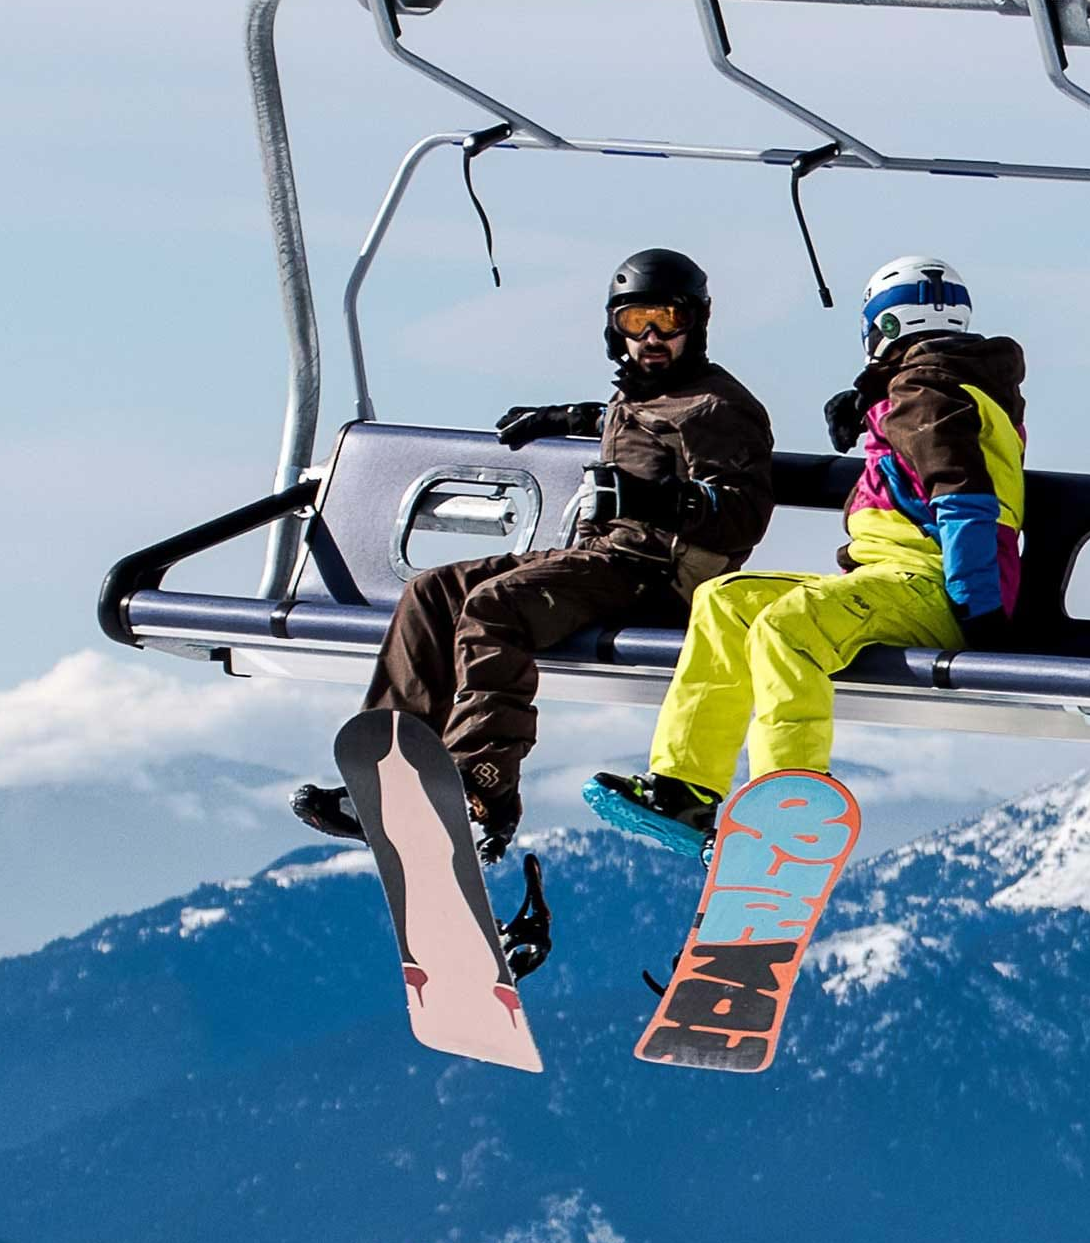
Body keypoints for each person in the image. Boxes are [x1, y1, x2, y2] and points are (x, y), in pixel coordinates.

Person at [292, 248, 776, 860]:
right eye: (635, 322)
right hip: (606, 559)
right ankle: (392, 776)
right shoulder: (647, 394)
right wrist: (566, 416)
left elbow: (742, 513)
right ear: (613, 328)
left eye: (668, 320)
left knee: (496, 607)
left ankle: (481, 786)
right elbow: (632, 419)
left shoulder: (719, 408)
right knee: (432, 593)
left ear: (697, 323)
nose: (652, 337)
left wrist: (654, 499)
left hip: (660, 577)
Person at [588, 254, 1026, 854]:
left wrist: (980, 613)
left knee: (787, 627)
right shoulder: (929, 390)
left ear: (883, 328)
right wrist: (874, 404)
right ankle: (685, 789)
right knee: (726, 601)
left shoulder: (927, 395)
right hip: (891, 579)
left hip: (934, 586)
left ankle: (787, 805)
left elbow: (966, 503)